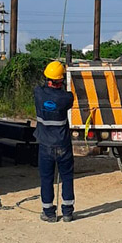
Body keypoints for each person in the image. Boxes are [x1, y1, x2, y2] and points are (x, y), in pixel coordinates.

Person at [34, 60, 76, 223]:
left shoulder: (38, 93)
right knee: (66, 177)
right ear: (61, 80)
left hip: (45, 145)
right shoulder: (66, 98)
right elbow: (69, 95)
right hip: (63, 145)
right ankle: (67, 212)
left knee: (46, 178)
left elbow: (41, 88)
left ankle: (49, 212)